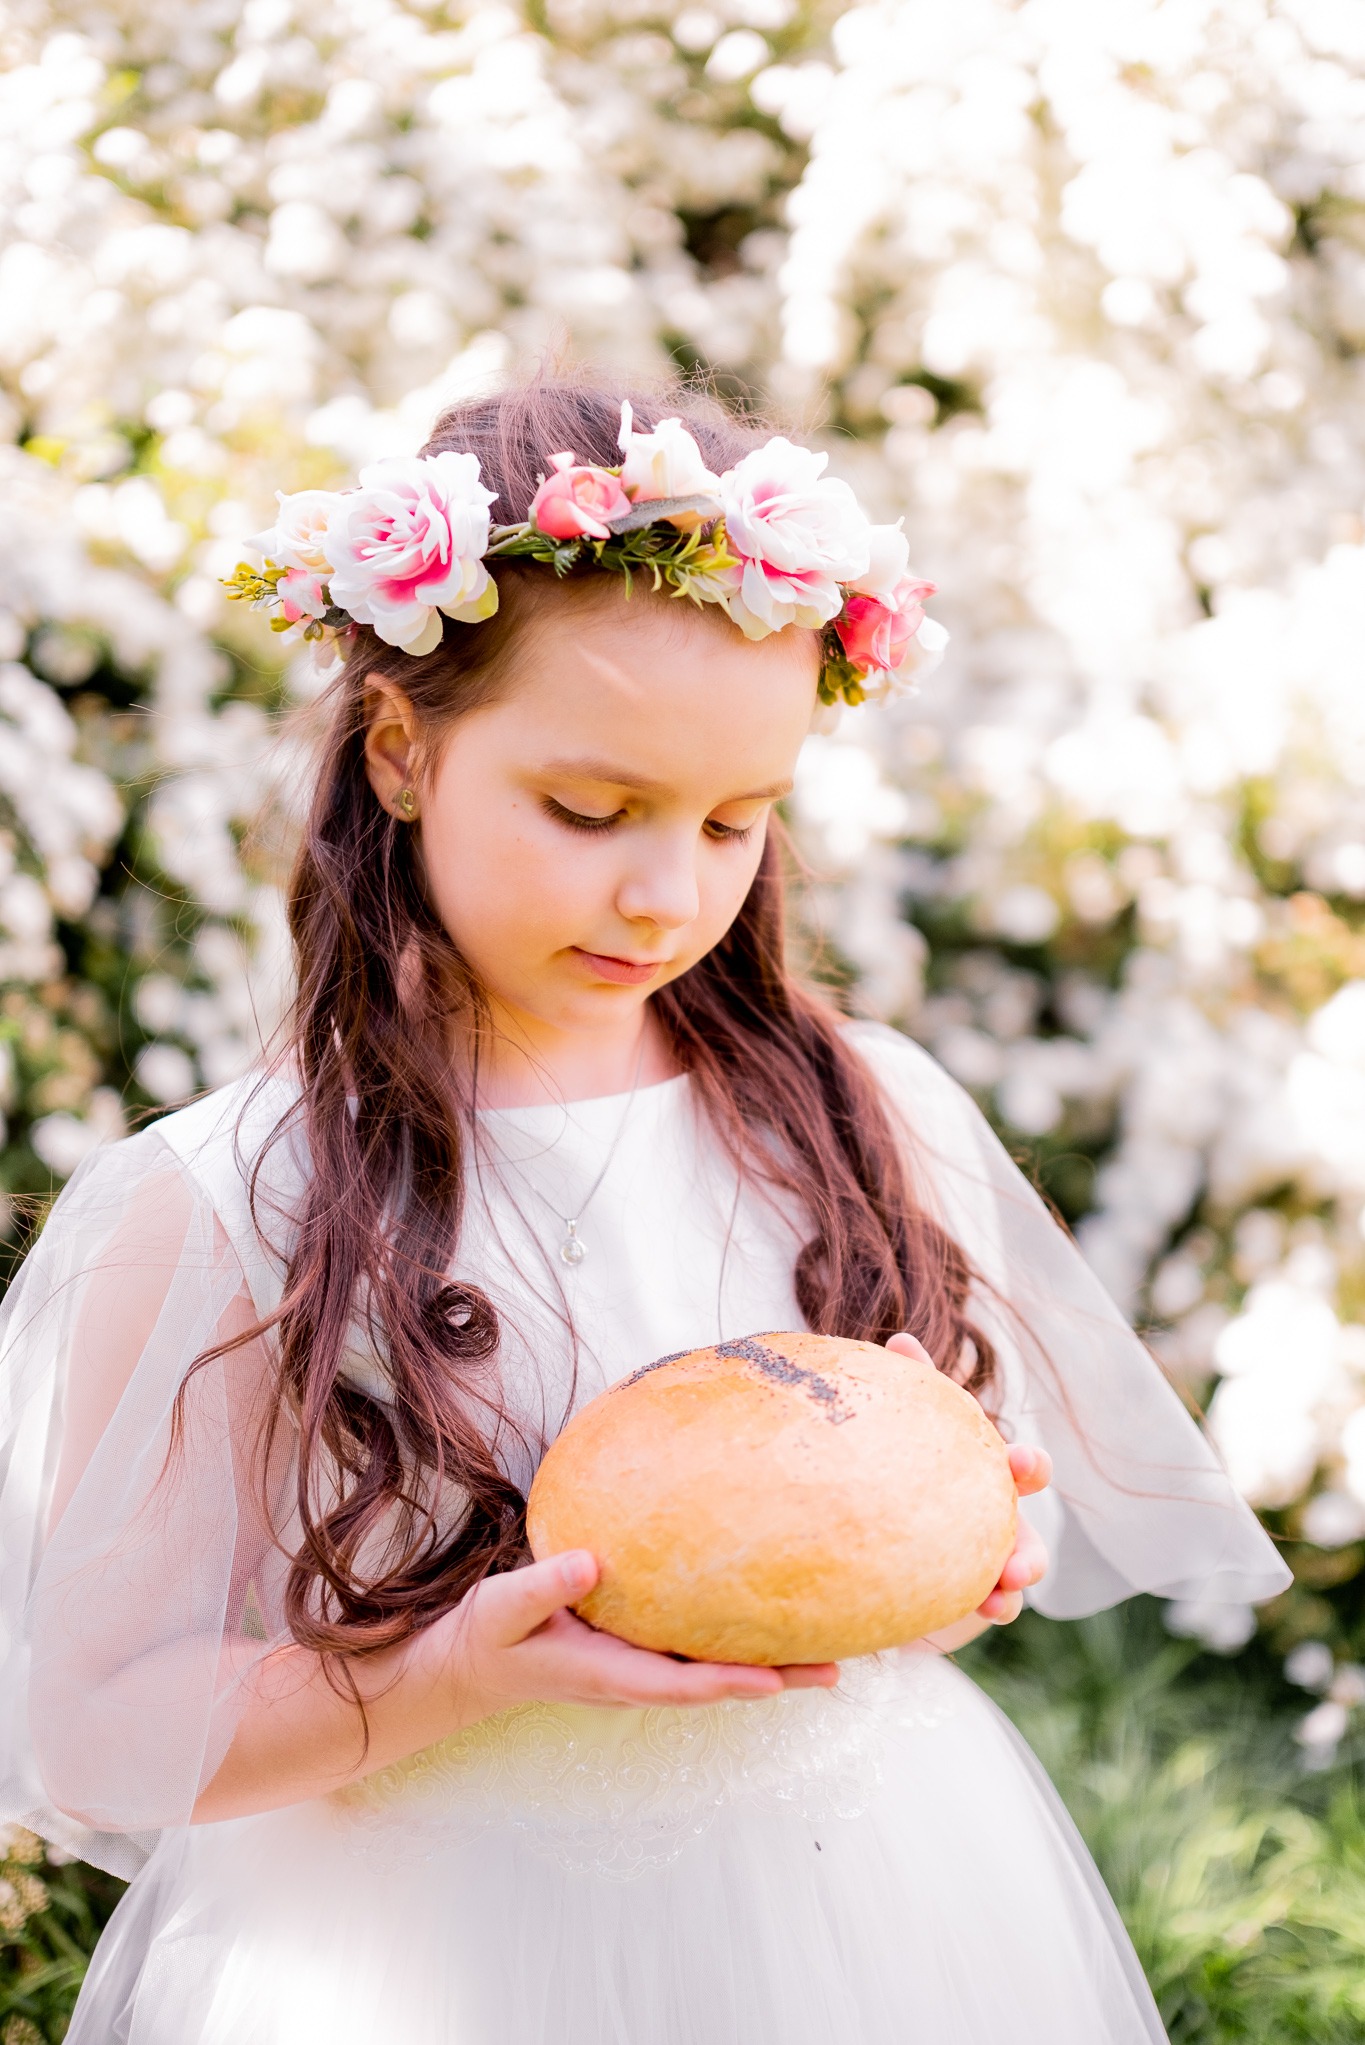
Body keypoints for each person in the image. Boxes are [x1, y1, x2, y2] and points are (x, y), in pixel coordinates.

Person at [0, 377, 1286, 2044]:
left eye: (735, 821)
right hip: (431, 1944)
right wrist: (447, 1673)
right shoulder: (226, 1202)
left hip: (865, 1907)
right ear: (400, 751)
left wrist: (952, 1536)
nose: (666, 893)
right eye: (589, 811)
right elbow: (98, 1725)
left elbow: (948, 1544)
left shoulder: (863, 1111)